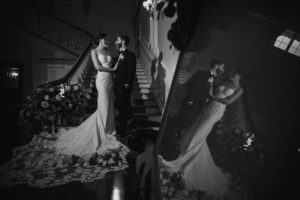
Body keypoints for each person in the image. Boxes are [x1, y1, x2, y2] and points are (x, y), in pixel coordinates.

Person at [0, 33, 130, 188]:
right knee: (103, 106)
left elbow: (110, 65)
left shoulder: (109, 52)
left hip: (109, 81)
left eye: (109, 39)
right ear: (99, 40)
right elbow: (97, 67)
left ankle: (108, 130)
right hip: (102, 79)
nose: (108, 41)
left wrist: (114, 72)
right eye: (106, 39)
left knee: (109, 107)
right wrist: (114, 68)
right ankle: (101, 132)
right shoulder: (94, 51)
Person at [159, 70, 244, 199]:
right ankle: (180, 154)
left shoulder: (239, 89)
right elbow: (213, 89)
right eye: (231, 73)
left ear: (240, 77)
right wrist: (210, 88)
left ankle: (183, 162)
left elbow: (227, 101)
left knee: (198, 135)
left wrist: (212, 96)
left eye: (235, 74)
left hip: (216, 111)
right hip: (208, 107)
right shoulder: (224, 81)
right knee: (192, 131)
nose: (232, 75)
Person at [169, 59, 225, 134]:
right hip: (192, 101)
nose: (223, 70)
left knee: (186, 120)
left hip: (199, 105)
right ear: (215, 66)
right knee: (182, 117)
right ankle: (171, 131)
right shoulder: (201, 73)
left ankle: (175, 131)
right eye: (222, 67)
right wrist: (190, 99)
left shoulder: (214, 80)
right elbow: (193, 86)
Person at [114, 35, 136, 137]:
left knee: (125, 106)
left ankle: (126, 129)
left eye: (117, 40)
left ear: (123, 41)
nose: (116, 41)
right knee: (120, 106)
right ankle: (123, 127)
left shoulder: (130, 55)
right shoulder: (118, 54)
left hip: (124, 85)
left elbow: (131, 70)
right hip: (117, 85)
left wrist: (127, 83)